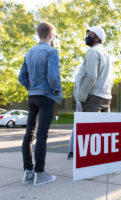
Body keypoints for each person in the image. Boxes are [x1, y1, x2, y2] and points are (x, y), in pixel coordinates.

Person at [18, 22, 63, 186]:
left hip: (32, 97)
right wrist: (57, 92)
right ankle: (40, 173)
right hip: (46, 97)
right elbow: (52, 77)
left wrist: (32, 88)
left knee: (29, 134)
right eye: (55, 36)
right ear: (51, 35)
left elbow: (21, 77)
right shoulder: (51, 51)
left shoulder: (29, 52)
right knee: (42, 136)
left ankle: (28, 173)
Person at [75, 26, 114, 112]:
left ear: (97, 38)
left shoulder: (92, 51)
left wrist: (81, 97)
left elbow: (91, 76)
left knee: (88, 125)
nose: (87, 37)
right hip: (106, 97)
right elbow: (111, 79)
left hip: (93, 98)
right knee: (103, 125)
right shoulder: (107, 55)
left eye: (90, 34)